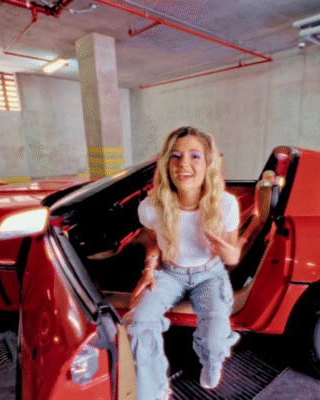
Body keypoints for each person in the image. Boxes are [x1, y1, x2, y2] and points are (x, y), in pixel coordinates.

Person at [125, 126, 244, 400]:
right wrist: (149, 267)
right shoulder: (151, 206)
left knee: (215, 338)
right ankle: (154, 391)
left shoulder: (226, 204)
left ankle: (212, 361)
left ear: (208, 163)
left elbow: (232, 257)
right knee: (140, 323)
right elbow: (153, 238)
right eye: (176, 156)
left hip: (209, 275)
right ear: (167, 163)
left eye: (195, 156)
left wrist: (226, 252)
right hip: (169, 273)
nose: (183, 164)